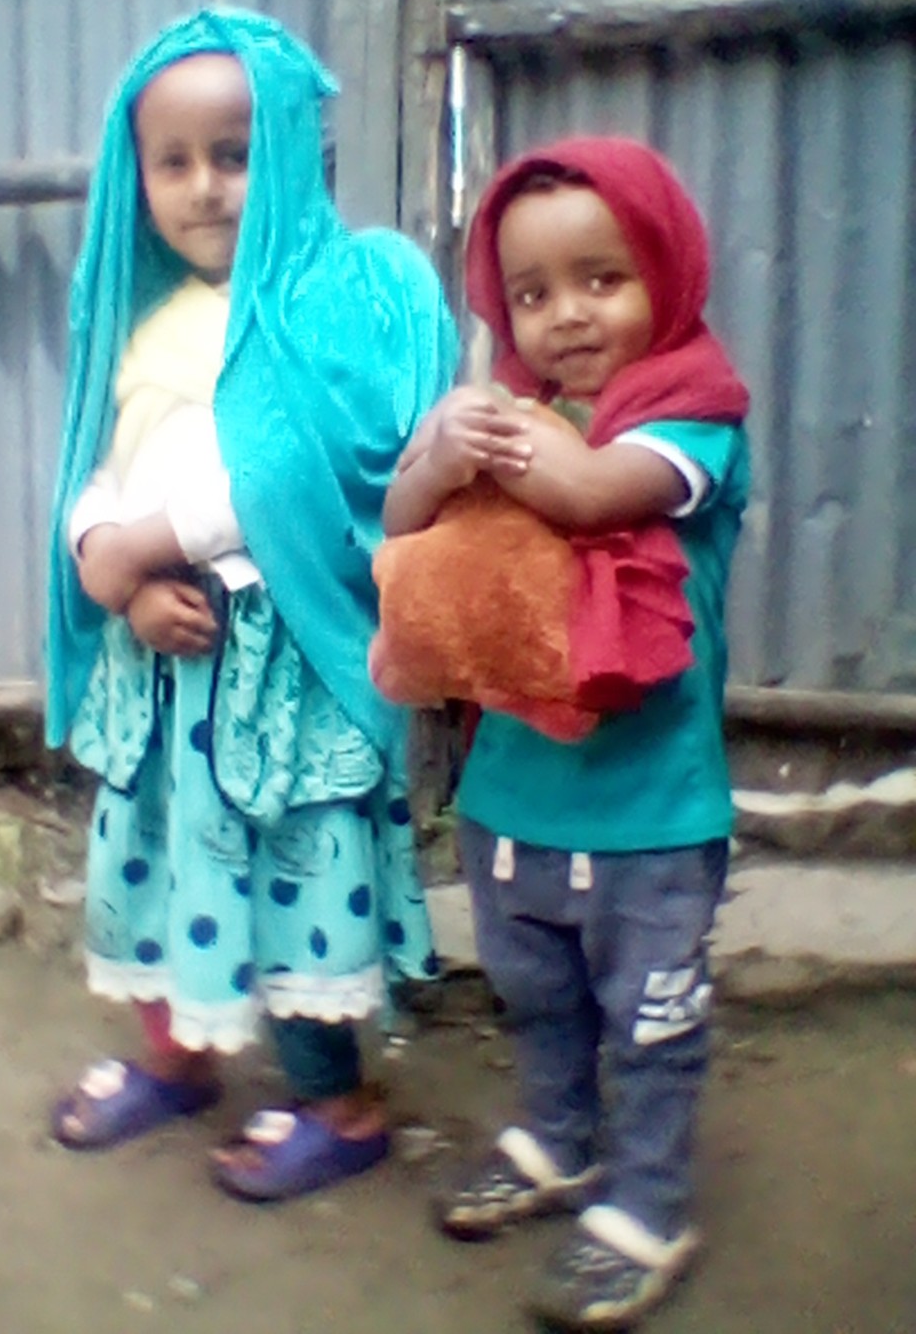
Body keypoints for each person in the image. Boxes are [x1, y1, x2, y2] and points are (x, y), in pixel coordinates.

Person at [44, 8, 458, 1202]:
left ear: (291, 157)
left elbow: (307, 485)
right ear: (135, 176)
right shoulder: (143, 319)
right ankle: (177, 1062)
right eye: (171, 161)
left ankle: (339, 1105)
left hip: (285, 669)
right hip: (161, 673)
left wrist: (146, 547)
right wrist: (105, 560)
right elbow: (99, 470)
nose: (204, 188)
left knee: (296, 876)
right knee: (159, 858)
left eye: (235, 155)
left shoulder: (338, 304)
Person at [383, 136, 750, 1330]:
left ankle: (647, 1205)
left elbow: (592, 493)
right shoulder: (512, 419)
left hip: (651, 815)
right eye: (531, 294)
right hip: (512, 799)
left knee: (650, 1023)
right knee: (537, 996)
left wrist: (484, 433)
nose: (568, 315)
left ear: (669, 274)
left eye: (603, 278)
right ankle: (557, 1142)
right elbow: (403, 525)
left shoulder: (694, 424)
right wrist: (438, 452)